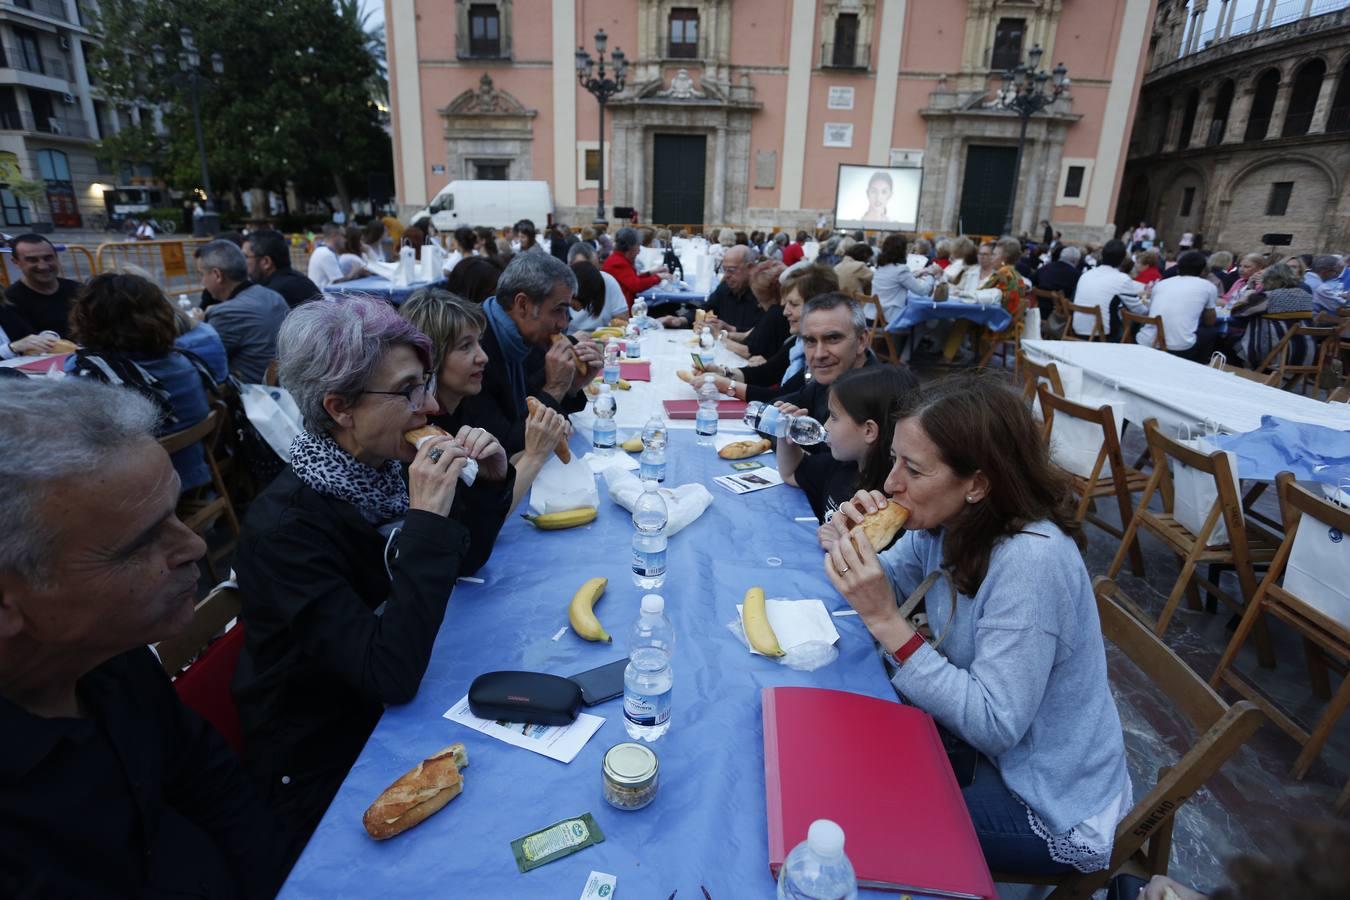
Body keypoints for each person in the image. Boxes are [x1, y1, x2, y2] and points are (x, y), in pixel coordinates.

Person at [232, 296, 515, 862]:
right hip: (326, 752)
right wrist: (427, 523)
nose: (431, 404)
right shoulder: (287, 530)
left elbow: (465, 564)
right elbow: (389, 675)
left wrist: (488, 484)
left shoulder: (383, 470)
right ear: (339, 407)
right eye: (409, 390)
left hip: (388, 701)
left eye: (426, 384)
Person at [822, 374, 1130, 876]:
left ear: (978, 484)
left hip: (1044, 796)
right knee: (833, 759)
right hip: (972, 748)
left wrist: (885, 620)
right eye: (894, 460)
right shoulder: (947, 524)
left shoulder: (1031, 564)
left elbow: (995, 724)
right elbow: (888, 580)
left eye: (913, 469)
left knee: (847, 822)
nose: (890, 483)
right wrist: (850, 540)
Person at [0, 378, 286, 898]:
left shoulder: (110, 656)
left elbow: (214, 785)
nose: (197, 545)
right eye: (140, 543)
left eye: (175, 514)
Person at [400, 288, 569, 516]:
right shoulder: (422, 437)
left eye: (479, 342)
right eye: (465, 346)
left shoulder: (468, 402)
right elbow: (483, 522)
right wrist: (534, 456)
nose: (483, 357)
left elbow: (502, 465)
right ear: (431, 357)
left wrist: (543, 437)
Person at [66, 271, 229, 491]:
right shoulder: (184, 362)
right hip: (194, 477)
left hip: (136, 493)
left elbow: (76, 442)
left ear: (89, 319)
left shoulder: (96, 376)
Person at [456, 252, 600, 457]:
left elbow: (537, 404)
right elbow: (504, 447)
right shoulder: (475, 352)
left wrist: (572, 386)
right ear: (522, 304)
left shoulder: (528, 337)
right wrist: (556, 388)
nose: (564, 323)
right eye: (559, 310)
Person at [779, 364, 919, 528]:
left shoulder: (888, 504)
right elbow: (791, 473)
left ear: (868, 430)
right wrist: (784, 435)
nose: (826, 425)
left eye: (834, 417)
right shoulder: (840, 467)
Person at [702, 264, 840, 404]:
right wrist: (722, 373)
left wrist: (725, 385)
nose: (785, 311)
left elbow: (786, 396)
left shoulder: (822, 354)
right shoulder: (797, 342)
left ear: (818, 306)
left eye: (793, 304)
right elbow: (767, 372)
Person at [775, 291, 877, 430]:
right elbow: (773, 408)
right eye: (810, 341)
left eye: (833, 338)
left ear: (861, 341)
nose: (819, 354)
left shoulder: (878, 396)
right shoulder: (829, 379)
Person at [195, 239, 289, 383]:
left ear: (217, 275)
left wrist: (199, 328)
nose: (202, 281)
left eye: (201, 274)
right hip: (286, 386)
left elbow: (203, 364)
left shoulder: (226, 313)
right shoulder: (272, 296)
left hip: (254, 397)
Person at [1125, 249, 1217, 360]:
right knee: (1210, 332)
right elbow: (1210, 321)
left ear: (1178, 268)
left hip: (1145, 340)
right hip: (1178, 348)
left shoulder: (1161, 284)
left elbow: (1152, 311)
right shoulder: (1208, 287)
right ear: (1203, 271)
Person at [1224, 262, 1316, 369]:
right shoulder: (1305, 296)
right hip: (1304, 355)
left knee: (1227, 341)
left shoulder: (1269, 297)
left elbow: (1237, 312)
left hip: (1275, 356)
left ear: (1270, 279)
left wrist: (1249, 292)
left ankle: (1236, 377)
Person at [4, 234, 81, 337]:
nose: (43, 266)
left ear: (56, 257)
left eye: (48, 258)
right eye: (32, 260)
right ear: (16, 262)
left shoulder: (78, 290)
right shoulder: (9, 302)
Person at [1072, 239, 1144, 338]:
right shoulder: (1122, 279)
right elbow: (1138, 310)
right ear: (1123, 259)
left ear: (1102, 255)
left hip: (1077, 328)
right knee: (1134, 327)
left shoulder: (1086, 274)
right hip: (1101, 333)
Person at [723, 259, 788, 361]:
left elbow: (749, 351)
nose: (758, 305)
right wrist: (724, 333)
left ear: (769, 297)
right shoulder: (776, 312)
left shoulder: (775, 314)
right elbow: (749, 334)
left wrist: (718, 338)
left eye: (760, 300)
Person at [243, 229, 321, 309]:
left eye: (245, 257)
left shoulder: (270, 295)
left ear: (266, 262)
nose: (242, 262)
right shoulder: (303, 281)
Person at [872, 233, 935, 323]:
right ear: (901, 251)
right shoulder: (901, 270)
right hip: (888, 319)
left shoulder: (880, 267)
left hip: (873, 316)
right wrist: (931, 275)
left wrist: (917, 274)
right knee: (924, 318)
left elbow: (895, 279)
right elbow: (923, 291)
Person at [600, 226, 666, 310]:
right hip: (621, 312)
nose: (639, 250)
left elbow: (632, 280)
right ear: (630, 247)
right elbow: (636, 285)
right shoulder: (618, 263)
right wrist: (659, 277)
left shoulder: (618, 259)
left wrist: (651, 273)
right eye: (638, 245)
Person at [567, 240, 628, 330]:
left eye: (594, 270)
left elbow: (622, 319)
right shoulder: (560, 288)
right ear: (569, 267)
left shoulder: (607, 281)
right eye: (583, 271)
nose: (591, 277)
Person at [307, 223, 356, 289]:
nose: (346, 240)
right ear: (334, 235)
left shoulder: (322, 250)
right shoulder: (326, 254)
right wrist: (354, 272)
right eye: (344, 236)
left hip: (321, 296)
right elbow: (339, 284)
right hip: (324, 297)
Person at [1306, 254, 1347, 320]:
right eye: (1336, 272)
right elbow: (1341, 306)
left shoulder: (1304, 277)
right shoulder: (1320, 287)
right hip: (1311, 324)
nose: (1337, 275)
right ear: (1325, 271)